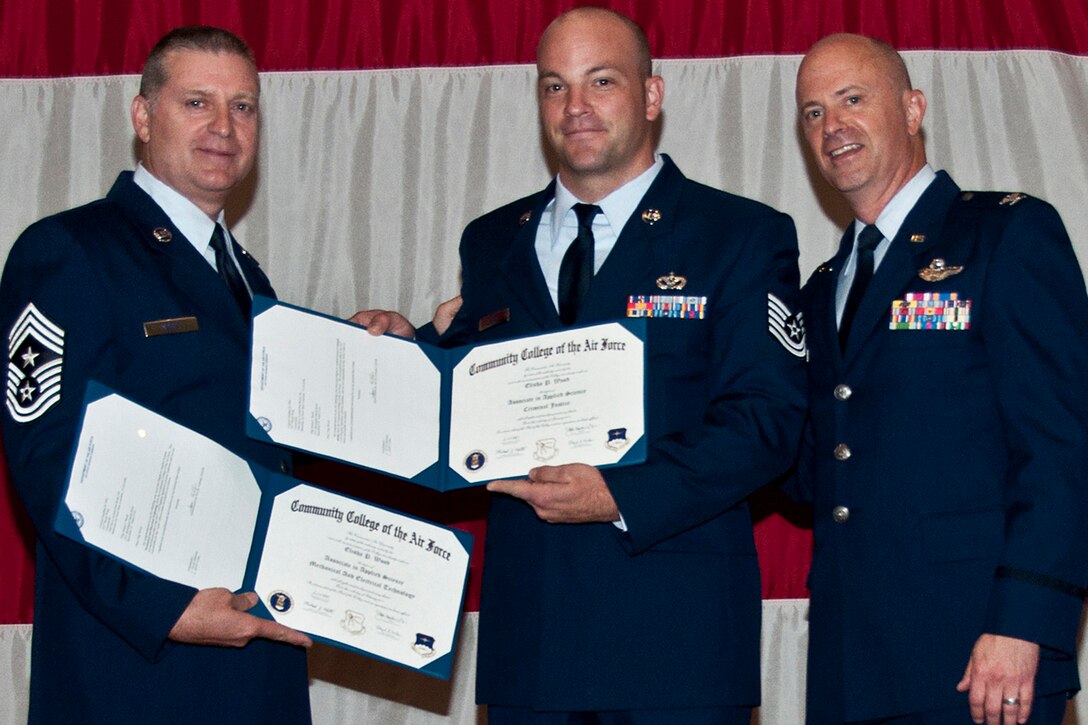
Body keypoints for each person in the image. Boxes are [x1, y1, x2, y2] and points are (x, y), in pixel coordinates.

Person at [364, 8, 806, 722]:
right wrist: (401, 349)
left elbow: (768, 421)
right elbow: (480, 391)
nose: (576, 109)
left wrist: (623, 496)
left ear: (652, 95)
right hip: (530, 648)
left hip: (675, 647)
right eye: (554, 87)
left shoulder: (738, 235)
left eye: (601, 81)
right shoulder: (490, 242)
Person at [0, 26, 312, 723]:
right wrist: (164, 606)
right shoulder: (69, 250)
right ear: (143, 117)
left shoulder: (245, 275)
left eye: (243, 106)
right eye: (197, 102)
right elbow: (44, 460)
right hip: (135, 663)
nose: (223, 127)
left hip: (253, 655)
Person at [793, 33, 1088, 725]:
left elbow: (1063, 446)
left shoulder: (1004, 237)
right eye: (811, 112)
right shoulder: (821, 288)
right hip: (852, 664)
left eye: (852, 99)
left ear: (913, 107)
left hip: (980, 658)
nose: (832, 125)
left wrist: (1025, 622)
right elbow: (816, 467)